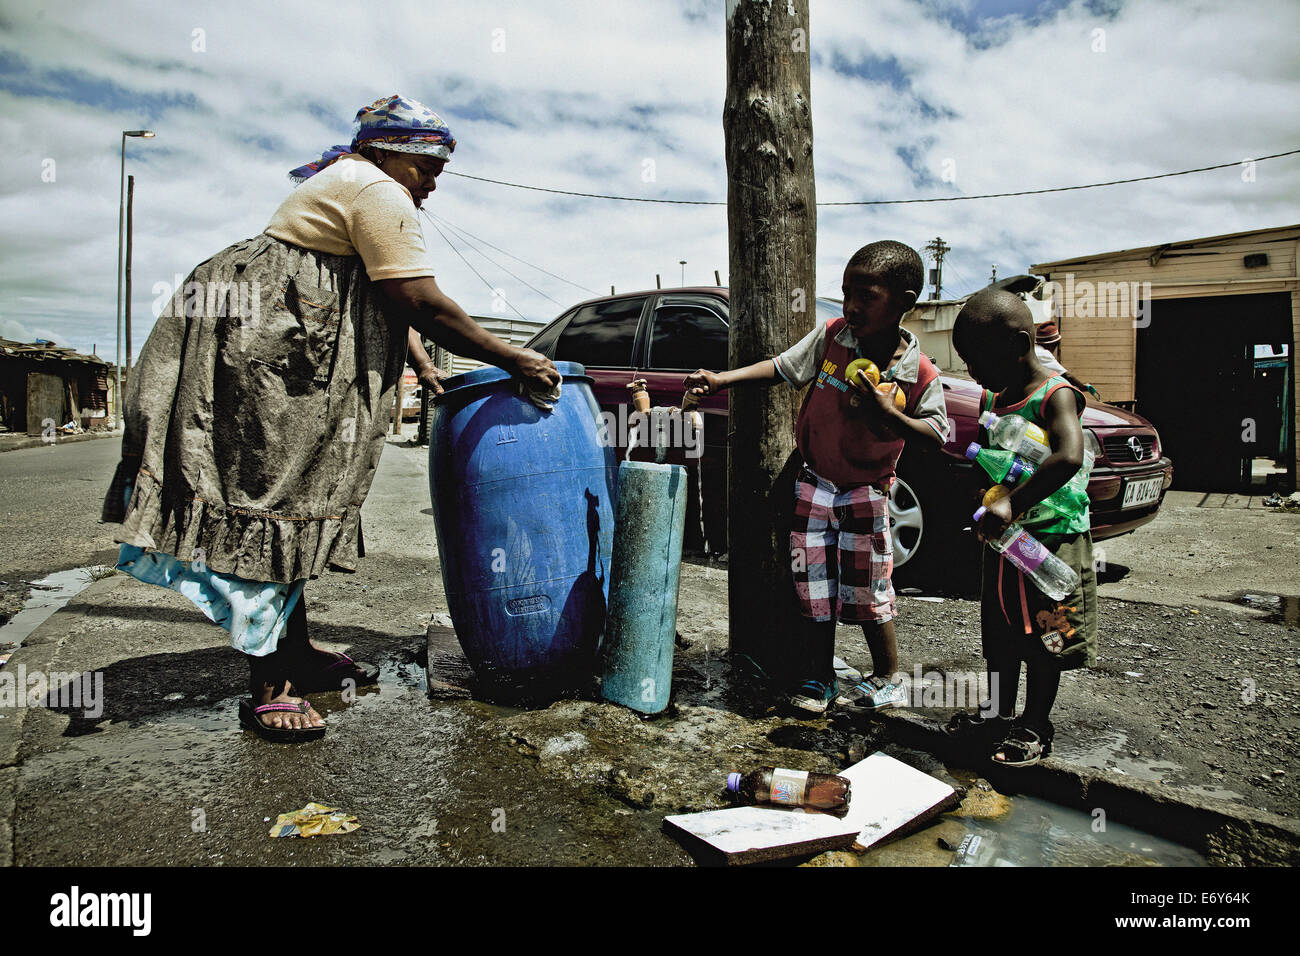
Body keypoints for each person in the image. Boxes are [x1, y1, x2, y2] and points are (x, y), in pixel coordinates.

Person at [102, 94, 559, 742]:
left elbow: (384, 299)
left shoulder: (354, 184)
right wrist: (515, 357)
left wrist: (423, 366)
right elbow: (418, 298)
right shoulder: (376, 192)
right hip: (274, 363)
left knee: (296, 500)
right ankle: (270, 685)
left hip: (280, 354)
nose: (430, 185)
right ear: (389, 153)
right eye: (426, 169)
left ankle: (297, 651)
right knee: (272, 500)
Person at [684, 241, 948, 714]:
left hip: (867, 493)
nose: (851, 306)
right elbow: (781, 368)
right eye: (847, 292)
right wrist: (723, 380)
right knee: (814, 586)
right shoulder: (832, 337)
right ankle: (819, 677)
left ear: (905, 302)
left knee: (869, 588)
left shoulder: (919, 372)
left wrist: (890, 414)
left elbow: (935, 433)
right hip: (814, 485)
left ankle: (887, 677)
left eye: (866, 296)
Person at [948, 289, 1098, 766]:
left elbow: (1069, 456)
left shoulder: (1057, 395)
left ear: (1019, 345)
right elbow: (987, 460)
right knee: (1000, 631)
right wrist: (983, 496)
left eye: (979, 362)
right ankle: (996, 715)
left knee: (1047, 635)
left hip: (1051, 543)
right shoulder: (995, 397)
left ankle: (1035, 725)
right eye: (966, 363)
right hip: (1005, 544)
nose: (973, 374)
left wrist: (1012, 503)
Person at [1035, 320, 1097, 399]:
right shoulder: (1043, 354)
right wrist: (1082, 386)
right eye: (1057, 344)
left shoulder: (1034, 350)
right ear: (1053, 343)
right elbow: (1066, 375)